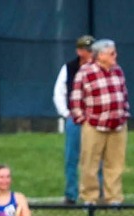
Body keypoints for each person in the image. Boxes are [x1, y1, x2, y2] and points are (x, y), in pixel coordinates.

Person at [71, 39, 130, 206]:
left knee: (115, 164)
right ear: (100, 55)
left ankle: (114, 198)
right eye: (112, 53)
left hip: (118, 126)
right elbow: (76, 99)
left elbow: (124, 94)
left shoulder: (118, 70)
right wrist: (83, 119)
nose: (115, 56)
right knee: (89, 164)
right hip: (94, 125)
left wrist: (124, 113)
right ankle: (89, 198)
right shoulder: (85, 72)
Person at [53, 36, 93, 204]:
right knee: (72, 158)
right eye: (87, 49)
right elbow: (59, 92)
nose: (91, 53)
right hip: (75, 119)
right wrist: (65, 113)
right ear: (79, 51)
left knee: (95, 158)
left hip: (95, 120)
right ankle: (71, 194)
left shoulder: (101, 67)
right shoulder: (68, 68)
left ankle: (96, 195)